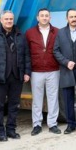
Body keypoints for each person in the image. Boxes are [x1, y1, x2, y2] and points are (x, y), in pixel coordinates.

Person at [0, 11, 30, 142]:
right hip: (0, 77)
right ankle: (0, 131)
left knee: (14, 105)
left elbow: (26, 55)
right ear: (1, 20)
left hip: (17, 76)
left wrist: (27, 72)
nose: (9, 21)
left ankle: (11, 130)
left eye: (11, 19)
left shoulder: (20, 35)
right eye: (6, 19)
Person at [25, 8, 61, 136]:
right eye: (42, 16)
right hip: (36, 71)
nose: (44, 18)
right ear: (37, 18)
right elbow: (26, 53)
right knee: (37, 99)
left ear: (50, 18)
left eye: (47, 16)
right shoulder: (29, 33)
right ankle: (37, 124)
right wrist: (27, 71)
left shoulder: (57, 32)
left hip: (53, 70)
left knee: (53, 98)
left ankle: (52, 124)